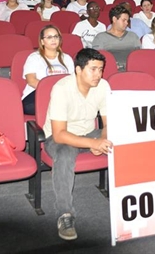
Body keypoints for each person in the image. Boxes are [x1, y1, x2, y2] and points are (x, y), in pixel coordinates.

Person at [44, 48, 112, 240]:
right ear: (78, 70)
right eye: (93, 69)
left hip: (89, 133)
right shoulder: (61, 88)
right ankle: (65, 214)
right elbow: (59, 134)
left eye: (101, 69)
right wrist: (92, 142)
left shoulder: (103, 86)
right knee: (65, 154)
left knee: (122, 135)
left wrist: (100, 140)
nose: (98, 74)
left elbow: (108, 124)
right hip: (59, 138)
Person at [22, 25, 74, 115]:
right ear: (42, 41)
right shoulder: (34, 58)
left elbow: (72, 81)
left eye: (56, 36)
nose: (53, 40)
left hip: (62, 96)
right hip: (37, 95)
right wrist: (54, 90)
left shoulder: (67, 58)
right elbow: (31, 81)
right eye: (49, 37)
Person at [91, 5, 141, 71]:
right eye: (124, 20)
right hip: (110, 72)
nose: (126, 23)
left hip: (132, 72)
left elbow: (139, 56)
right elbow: (96, 60)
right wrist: (111, 65)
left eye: (127, 20)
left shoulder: (133, 36)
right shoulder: (100, 38)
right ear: (114, 19)